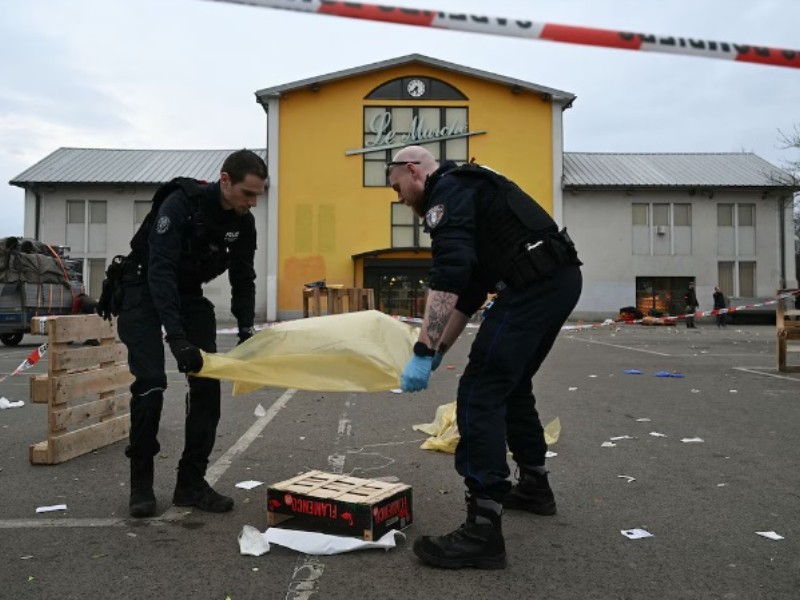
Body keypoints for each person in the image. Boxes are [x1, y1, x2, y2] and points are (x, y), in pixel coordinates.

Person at [387, 146, 582, 569]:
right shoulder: (467, 188)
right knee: (510, 386)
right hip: (555, 279)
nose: (399, 197)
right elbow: (471, 290)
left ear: (412, 170)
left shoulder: (448, 194)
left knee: (479, 392)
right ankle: (533, 485)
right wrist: (437, 350)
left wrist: (422, 348)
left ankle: (483, 531)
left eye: (396, 185)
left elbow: (451, 273)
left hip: (534, 285)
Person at [116, 149, 268, 518]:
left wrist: (247, 329)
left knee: (206, 383)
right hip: (143, 286)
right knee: (152, 382)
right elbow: (161, 270)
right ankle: (141, 484)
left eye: (258, 197)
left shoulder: (243, 223)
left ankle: (191, 483)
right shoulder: (181, 204)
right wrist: (177, 337)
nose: (252, 204)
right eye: (247, 194)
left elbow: (243, 277)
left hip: (187, 292)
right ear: (225, 180)